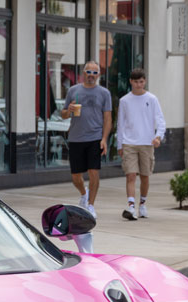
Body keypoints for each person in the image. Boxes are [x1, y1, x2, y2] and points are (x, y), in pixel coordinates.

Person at [61, 61, 111, 254]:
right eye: (88, 72)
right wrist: (70, 109)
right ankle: (84, 194)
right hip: (76, 138)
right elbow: (64, 114)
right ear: (83, 73)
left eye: (95, 72)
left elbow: (107, 117)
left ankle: (90, 205)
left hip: (94, 138)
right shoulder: (74, 90)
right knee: (76, 176)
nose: (91, 75)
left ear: (99, 74)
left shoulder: (104, 93)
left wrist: (104, 139)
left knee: (94, 172)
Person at [116, 68, 166, 220]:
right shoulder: (124, 100)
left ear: (145, 81)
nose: (139, 84)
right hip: (129, 143)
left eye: (141, 81)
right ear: (131, 82)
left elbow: (160, 120)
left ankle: (142, 204)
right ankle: (131, 207)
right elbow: (120, 124)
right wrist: (120, 145)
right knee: (130, 175)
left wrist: (158, 137)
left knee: (145, 176)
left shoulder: (152, 99)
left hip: (147, 142)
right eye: (136, 82)